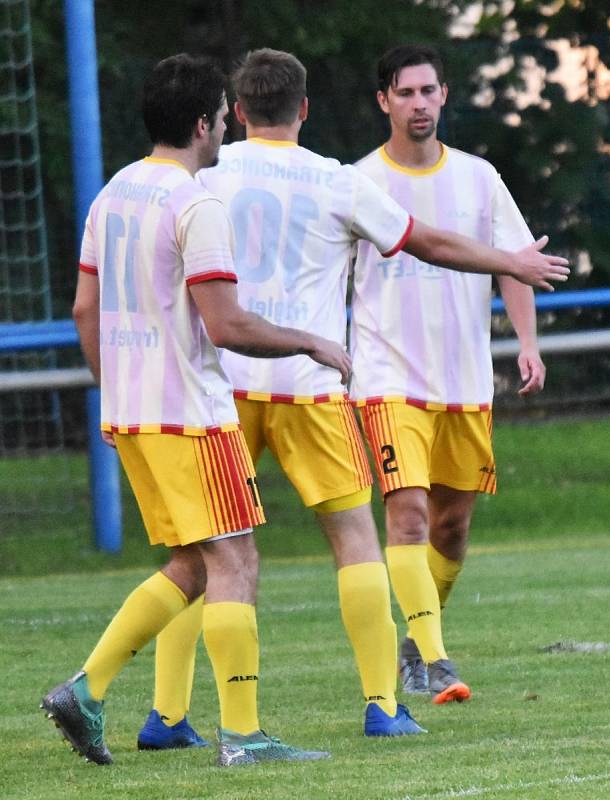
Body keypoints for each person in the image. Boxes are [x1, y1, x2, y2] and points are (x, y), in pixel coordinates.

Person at [136, 48, 569, 749]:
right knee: (355, 541)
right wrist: (508, 261)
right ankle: (380, 704)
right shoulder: (337, 180)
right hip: (308, 383)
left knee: (204, 549)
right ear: (303, 108)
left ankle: (166, 713)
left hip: (219, 387)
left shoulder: (201, 178)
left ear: (237, 113)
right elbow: (425, 242)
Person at [40, 53, 352, 768]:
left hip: (135, 412)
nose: (222, 127)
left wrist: (113, 388)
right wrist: (312, 341)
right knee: (237, 558)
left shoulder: (113, 192)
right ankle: (242, 735)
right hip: (191, 412)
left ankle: (85, 689)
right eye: (218, 113)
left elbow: (85, 308)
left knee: (193, 561)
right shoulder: (195, 202)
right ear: (203, 122)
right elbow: (227, 324)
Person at [350, 43, 548, 698]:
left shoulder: (477, 177)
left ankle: (414, 639)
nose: (418, 104)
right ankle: (435, 658)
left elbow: (515, 261)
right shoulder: (357, 183)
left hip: (463, 380)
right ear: (384, 101)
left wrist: (526, 341)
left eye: (428, 91)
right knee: (404, 511)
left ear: (443, 95)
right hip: (384, 378)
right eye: (405, 93)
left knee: (450, 526)